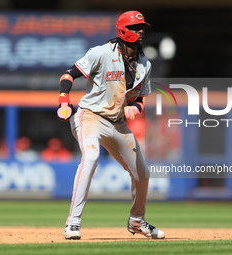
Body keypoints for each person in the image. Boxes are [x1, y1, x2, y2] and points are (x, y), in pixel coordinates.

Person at [57, 10, 165, 240]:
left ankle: (137, 221)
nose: (141, 32)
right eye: (136, 28)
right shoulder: (101, 53)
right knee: (92, 156)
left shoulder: (144, 64)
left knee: (142, 173)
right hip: (90, 116)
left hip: (117, 123)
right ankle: (73, 223)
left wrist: (134, 109)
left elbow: (138, 99)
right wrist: (63, 101)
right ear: (123, 30)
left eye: (142, 28)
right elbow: (68, 75)